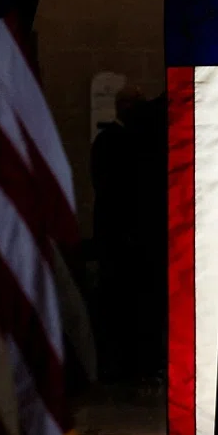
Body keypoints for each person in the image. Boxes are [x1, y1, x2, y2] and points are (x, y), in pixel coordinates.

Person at [91, 85, 144, 382]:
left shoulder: (109, 141)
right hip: (120, 236)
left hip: (117, 235)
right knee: (121, 303)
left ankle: (124, 366)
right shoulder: (114, 141)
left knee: (124, 303)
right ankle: (122, 367)